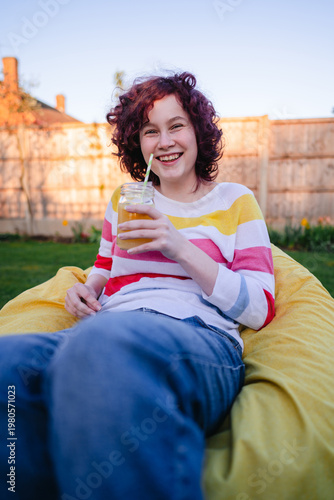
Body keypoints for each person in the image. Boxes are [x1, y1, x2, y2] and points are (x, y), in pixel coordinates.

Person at [0, 72, 275, 500]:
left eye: (176, 125)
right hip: (105, 327)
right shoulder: (126, 199)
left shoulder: (235, 201)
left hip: (195, 337)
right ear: (138, 143)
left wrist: (180, 247)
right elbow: (105, 266)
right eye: (150, 131)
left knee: (103, 345)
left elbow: (259, 307)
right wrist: (86, 290)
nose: (164, 141)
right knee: (7, 364)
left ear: (198, 130)